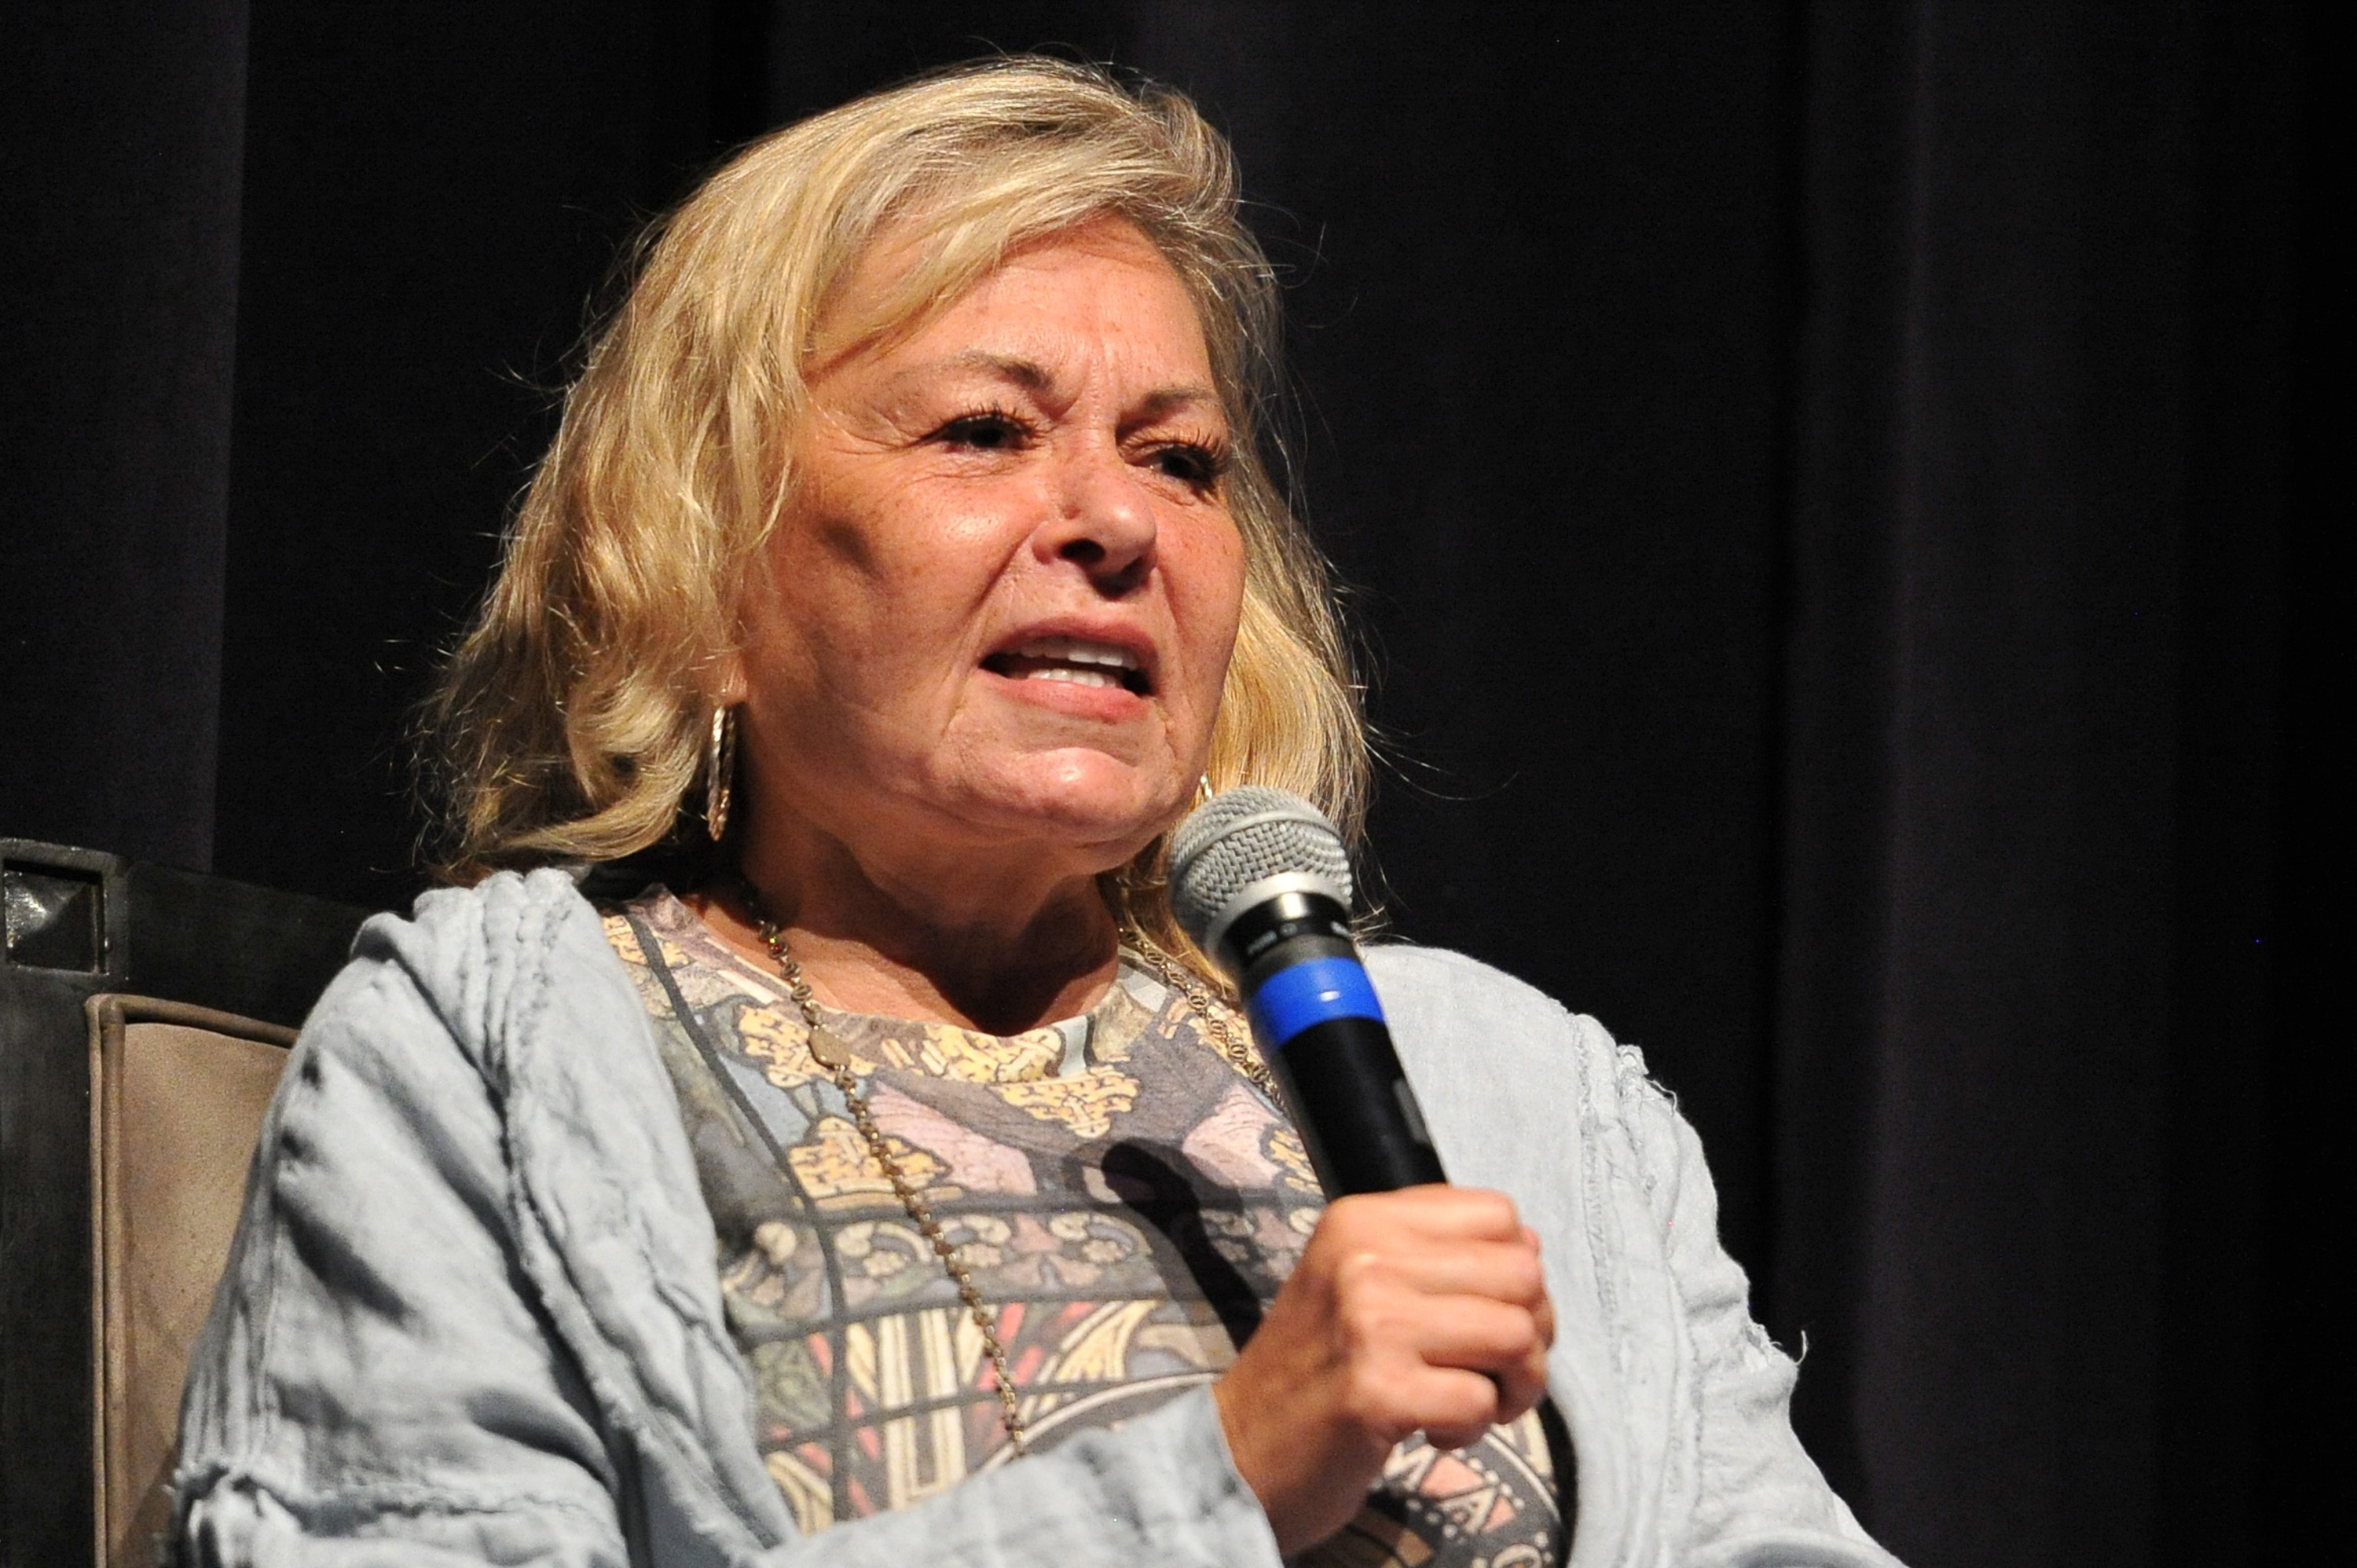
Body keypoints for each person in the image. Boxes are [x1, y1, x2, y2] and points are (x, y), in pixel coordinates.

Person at [171, 58, 1899, 1568]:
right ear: (696, 567)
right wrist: (1222, 1474)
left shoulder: (1513, 1091)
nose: (1116, 521)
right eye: (987, 430)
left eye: (1182, 457)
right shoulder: (488, 1063)